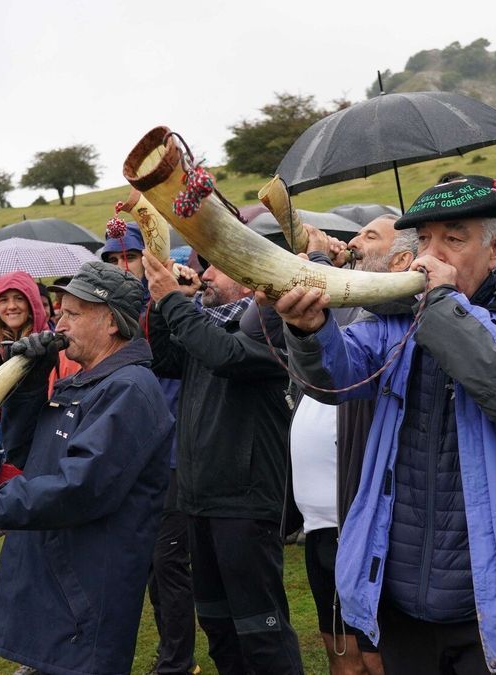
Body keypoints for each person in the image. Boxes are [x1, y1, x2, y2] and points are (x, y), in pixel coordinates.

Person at [270, 175, 496, 674]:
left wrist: (441, 305)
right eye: (425, 239)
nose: (430, 255)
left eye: (453, 239)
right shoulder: (397, 312)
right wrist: (311, 332)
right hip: (402, 594)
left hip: (494, 597)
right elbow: (337, 379)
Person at [0, 261, 175, 675]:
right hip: (56, 582)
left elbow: (78, 489)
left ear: (112, 323)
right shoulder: (82, 382)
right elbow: (24, 453)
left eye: (73, 314)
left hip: (84, 591)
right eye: (60, 312)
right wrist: (31, 384)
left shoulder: (129, 389)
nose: (59, 324)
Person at [140, 250, 304, 675]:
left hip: (245, 505)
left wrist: (172, 300)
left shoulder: (273, 327)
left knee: (261, 634)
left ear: (249, 282)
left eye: (216, 267)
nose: (205, 274)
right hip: (200, 504)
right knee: (219, 629)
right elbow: (163, 357)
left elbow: (226, 355)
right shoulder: (207, 328)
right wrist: (162, 305)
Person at [288, 215, 414, 675]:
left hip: (361, 516)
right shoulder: (350, 301)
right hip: (320, 521)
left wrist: (321, 261)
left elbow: (343, 366)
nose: (354, 241)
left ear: (401, 261)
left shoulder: (389, 321)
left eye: (369, 236)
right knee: (338, 649)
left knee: (378, 655)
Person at [105, 221, 201, 675]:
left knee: (168, 562)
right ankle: (171, 653)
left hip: (175, 452)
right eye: (113, 259)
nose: (122, 266)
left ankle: (177, 663)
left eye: (129, 257)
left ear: (148, 261)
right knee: (147, 564)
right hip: (133, 457)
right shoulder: (108, 318)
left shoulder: (168, 303)